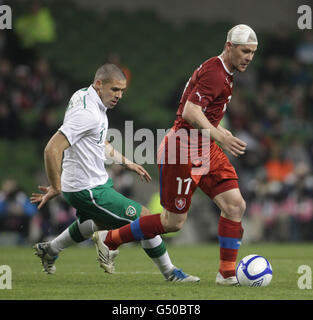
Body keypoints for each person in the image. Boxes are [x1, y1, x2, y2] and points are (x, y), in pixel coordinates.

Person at [93, 25, 258, 285]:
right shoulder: (215, 74)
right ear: (229, 47)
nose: (249, 57)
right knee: (172, 222)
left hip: (204, 147)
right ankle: (109, 239)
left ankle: (226, 274)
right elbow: (190, 112)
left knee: (235, 205)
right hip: (182, 147)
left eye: (252, 52)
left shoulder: (225, 73)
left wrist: (214, 138)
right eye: (244, 51)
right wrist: (220, 135)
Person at [30, 63, 199, 282]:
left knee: (90, 223)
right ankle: (169, 272)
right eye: (115, 90)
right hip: (88, 189)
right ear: (99, 84)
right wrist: (55, 186)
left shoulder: (84, 96)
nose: (119, 95)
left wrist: (127, 162)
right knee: (146, 219)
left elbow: (99, 141)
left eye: (122, 91)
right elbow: (51, 149)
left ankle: (50, 249)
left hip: (90, 183)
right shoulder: (87, 114)